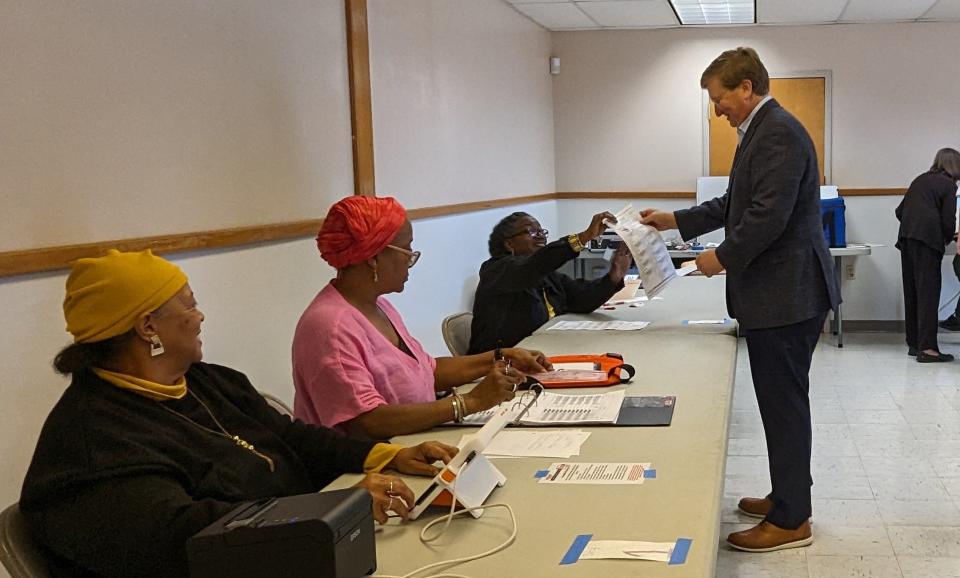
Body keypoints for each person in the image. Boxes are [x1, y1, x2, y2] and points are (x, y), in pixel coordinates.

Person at [20, 249, 457, 578]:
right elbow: (183, 536)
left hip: (297, 552)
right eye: (189, 305)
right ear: (147, 327)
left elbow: (293, 437)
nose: (200, 315)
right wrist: (335, 508)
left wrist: (387, 456)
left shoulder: (209, 381)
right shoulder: (92, 438)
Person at [640, 47, 839, 553]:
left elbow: (767, 216)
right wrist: (676, 221)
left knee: (785, 405)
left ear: (746, 87)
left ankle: (793, 519)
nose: (717, 110)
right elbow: (736, 203)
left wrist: (720, 257)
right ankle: (785, 497)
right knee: (780, 404)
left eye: (720, 98)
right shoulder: (762, 131)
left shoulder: (777, 131)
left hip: (787, 295)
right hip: (779, 293)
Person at [293, 196, 550, 440]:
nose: (411, 258)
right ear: (373, 258)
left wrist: (502, 356)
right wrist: (469, 402)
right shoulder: (330, 326)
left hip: (414, 441)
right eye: (406, 249)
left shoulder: (378, 305)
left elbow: (426, 370)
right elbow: (367, 422)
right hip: (371, 465)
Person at [467, 211, 632, 354]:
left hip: (543, 352)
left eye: (542, 231)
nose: (540, 235)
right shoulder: (496, 271)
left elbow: (581, 298)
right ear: (509, 244)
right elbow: (533, 266)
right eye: (531, 232)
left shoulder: (547, 275)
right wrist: (583, 237)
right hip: (500, 367)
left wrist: (614, 276)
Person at [896, 148, 960, 360]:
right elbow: (949, 220)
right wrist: (949, 236)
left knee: (913, 292)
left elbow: (899, 211)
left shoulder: (920, 180)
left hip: (907, 239)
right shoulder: (949, 185)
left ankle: (914, 343)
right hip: (927, 242)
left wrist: (916, 226)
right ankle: (928, 349)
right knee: (928, 293)